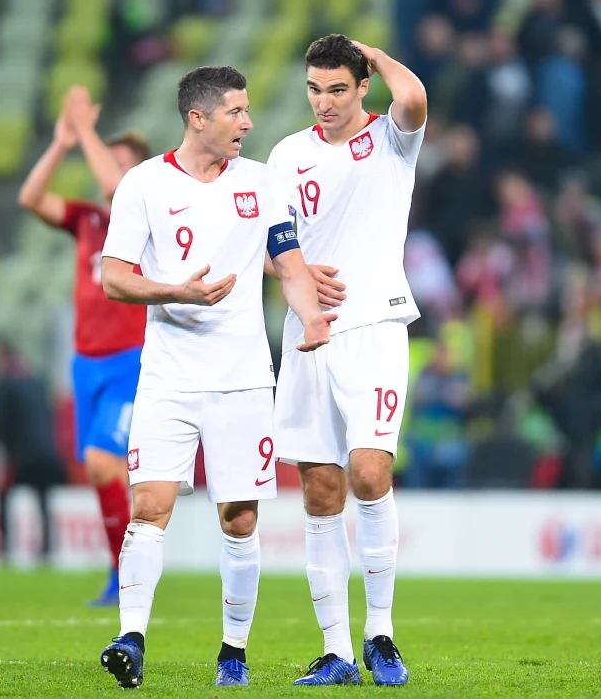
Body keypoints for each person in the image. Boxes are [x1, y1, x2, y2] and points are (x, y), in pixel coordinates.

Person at [96, 66, 333, 689]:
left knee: (239, 519)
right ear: (197, 118)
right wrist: (177, 290)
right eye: (236, 112)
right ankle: (131, 638)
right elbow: (114, 276)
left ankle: (233, 650)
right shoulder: (143, 184)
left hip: (243, 378)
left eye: (248, 111)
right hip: (168, 378)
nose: (248, 123)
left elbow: (287, 261)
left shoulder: (261, 182)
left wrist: (312, 316)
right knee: (150, 507)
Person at [266, 34, 427, 686]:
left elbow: (413, 95)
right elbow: (277, 245)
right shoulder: (285, 155)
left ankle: (380, 634)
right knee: (321, 489)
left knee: (368, 473)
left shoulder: (392, 140)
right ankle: (335, 651)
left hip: (378, 326)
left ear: (362, 87)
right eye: (315, 89)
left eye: (338, 88)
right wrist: (299, 274)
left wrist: (374, 52)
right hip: (310, 335)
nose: (324, 102)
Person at [18, 86, 151, 607]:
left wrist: (88, 132)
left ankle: (124, 572)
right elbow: (30, 199)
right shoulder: (87, 220)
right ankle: (124, 572)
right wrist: (61, 141)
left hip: (128, 360)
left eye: (119, 163)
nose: (106, 171)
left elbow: (118, 188)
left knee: (100, 464)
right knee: (106, 475)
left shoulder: (138, 214)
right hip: (84, 361)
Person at [0, 341, 67, 564]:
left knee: (2, 496)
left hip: (21, 456)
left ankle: (4, 549)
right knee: (43, 501)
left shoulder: (6, 384)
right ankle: (47, 551)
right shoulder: (37, 381)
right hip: (47, 454)